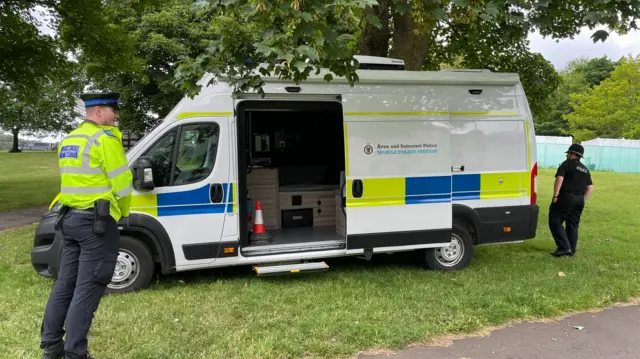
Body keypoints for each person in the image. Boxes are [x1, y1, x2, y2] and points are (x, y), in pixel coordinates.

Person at [40, 92, 133, 359]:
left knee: (64, 284)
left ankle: (51, 346)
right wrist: (122, 213)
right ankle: (75, 353)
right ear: (100, 111)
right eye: (114, 111)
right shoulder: (105, 140)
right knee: (88, 288)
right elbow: (123, 185)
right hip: (97, 225)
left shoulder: (70, 139)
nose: (117, 117)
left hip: (69, 220)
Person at [548, 143, 595, 257]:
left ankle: (564, 247)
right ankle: (571, 249)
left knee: (555, 220)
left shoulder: (566, 165)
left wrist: (555, 195)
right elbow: (590, 188)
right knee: (573, 224)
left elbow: (560, 178)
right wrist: (582, 199)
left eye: (568, 153)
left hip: (566, 197)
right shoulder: (585, 169)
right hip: (579, 199)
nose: (567, 155)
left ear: (572, 154)